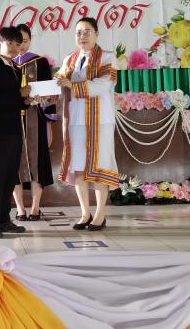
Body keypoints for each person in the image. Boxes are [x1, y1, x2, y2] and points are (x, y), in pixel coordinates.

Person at [56, 17, 118, 231]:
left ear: (96, 34)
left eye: (87, 31)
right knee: (79, 168)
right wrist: (41, 93)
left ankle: (100, 215)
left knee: (99, 166)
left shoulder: (108, 57)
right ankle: (85, 213)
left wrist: (72, 85)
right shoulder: (69, 59)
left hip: (100, 121)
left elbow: (104, 84)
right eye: (78, 32)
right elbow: (58, 83)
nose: (82, 36)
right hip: (75, 121)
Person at [0, 26, 31, 238]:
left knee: (10, 176)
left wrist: (26, 100)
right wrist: (19, 94)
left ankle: (4, 220)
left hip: (13, 128)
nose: (13, 47)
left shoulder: (15, 68)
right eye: (9, 43)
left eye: (17, 44)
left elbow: (15, 101)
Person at [11, 24, 55, 221]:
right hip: (12, 119)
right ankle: (20, 209)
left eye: (25, 41)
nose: (21, 46)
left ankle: (35, 208)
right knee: (14, 163)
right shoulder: (6, 64)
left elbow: (49, 93)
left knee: (37, 163)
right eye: (17, 42)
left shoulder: (41, 62)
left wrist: (42, 99)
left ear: (30, 40)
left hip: (35, 118)